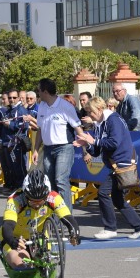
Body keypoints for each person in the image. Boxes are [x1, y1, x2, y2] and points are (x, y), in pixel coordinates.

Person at [75, 96, 140, 240]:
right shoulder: (100, 123)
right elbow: (96, 151)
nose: (89, 115)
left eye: (90, 112)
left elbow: (114, 142)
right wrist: (87, 144)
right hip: (114, 164)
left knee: (103, 193)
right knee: (117, 199)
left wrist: (94, 141)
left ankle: (110, 228)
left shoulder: (113, 119)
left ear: (99, 109)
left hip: (122, 162)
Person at [0, 170, 81, 269]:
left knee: (46, 266)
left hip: (40, 239)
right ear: (26, 195)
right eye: (33, 201)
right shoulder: (15, 200)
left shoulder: (53, 198)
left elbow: (67, 217)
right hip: (16, 239)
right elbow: (8, 225)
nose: (37, 205)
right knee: (21, 265)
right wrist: (12, 241)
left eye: (40, 201)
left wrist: (75, 233)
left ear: (46, 196)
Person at [32, 78, 87, 212]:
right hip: (48, 149)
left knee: (61, 180)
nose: (38, 93)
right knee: (50, 182)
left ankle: (66, 215)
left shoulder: (65, 107)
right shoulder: (42, 106)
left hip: (64, 148)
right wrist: (35, 150)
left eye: (39, 91)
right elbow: (40, 129)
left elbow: (78, 129)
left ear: (45, 92)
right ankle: (55, 213)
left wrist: (86, 150)